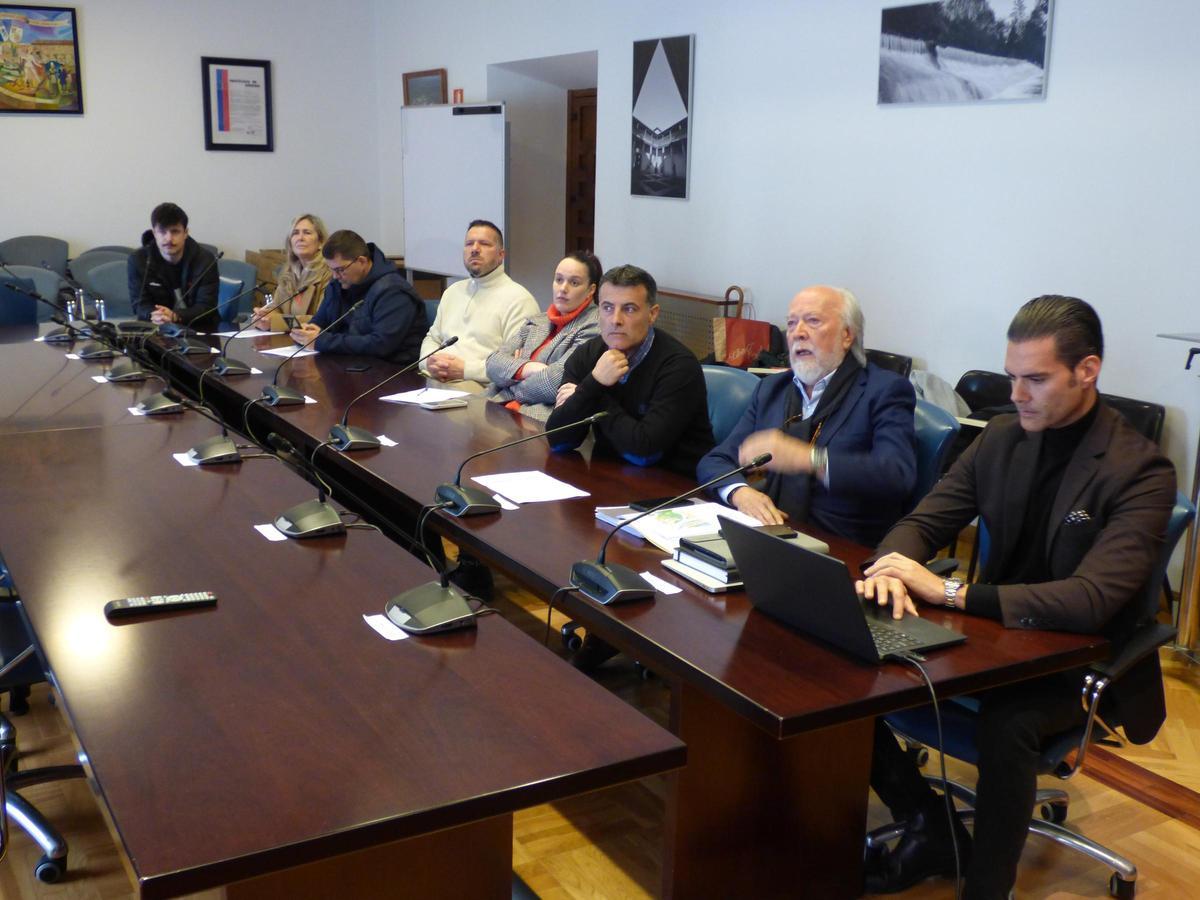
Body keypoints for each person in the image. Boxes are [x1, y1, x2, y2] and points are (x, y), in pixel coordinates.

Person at [857, 295, 1176, 899]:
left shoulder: (1141, 471)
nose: (1018, 393)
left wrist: (950, 591)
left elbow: (1089, 601)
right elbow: (924, 521)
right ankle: (931, 825)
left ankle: (985, 889)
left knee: (1009, 727)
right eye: (1011, 377)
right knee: (849, 664)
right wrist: (892, 568)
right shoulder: (1003, 437)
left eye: (1036, 378)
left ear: (1088, 371)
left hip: (1076, 659)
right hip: (994, 638)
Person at [696, 285, 916, 546]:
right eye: (791, 324)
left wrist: (809, 459)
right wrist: (739, 492)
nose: (797, 333)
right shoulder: (772, 389)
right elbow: (716, 460)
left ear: (847, 335)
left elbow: (896, 475)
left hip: (842, 547)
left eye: (813, 321)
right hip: (771, 534)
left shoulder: (884, 391)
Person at [546, 264, 714, 477]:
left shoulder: (679, 366)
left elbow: (644, 452)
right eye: (607, 307)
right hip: (610, 477)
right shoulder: (587, 355)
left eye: (629, 309)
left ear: (652, 314)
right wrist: (594, 381)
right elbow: (559, 440)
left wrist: (591, 391)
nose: (615, 320)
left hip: (675, 487)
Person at [420, 220, 538, 391]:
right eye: (469, 244)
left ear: (501, 255)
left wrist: (465, 370)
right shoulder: (453, 291)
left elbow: (516, 366)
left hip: (481, 388)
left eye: (484, 244)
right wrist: (428, 361)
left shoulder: (519, 300)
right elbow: (433, 338)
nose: (474, 249)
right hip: (434, 379)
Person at [484, 251, 603, 421]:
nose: (563, 288)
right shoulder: (538, 320)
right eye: (559, 279)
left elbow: (555, 382)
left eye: (574, 282)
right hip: (496, 407)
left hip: (535, 418)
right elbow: (492, 363)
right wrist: (528, 368)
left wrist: (510, 378)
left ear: (591, 290)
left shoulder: (594, 326)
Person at [289, 230, 426, 364]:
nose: (335, 276)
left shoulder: (393, 291)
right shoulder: (338, 284)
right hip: (349, 363)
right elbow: (320, 322)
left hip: (392, 371)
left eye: (340, 269)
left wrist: (321, 341)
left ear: (361, 261)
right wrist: (305, 334)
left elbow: (381, 345)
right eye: (331, 269)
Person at [127, 202, 219, 326]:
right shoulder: (138, 260)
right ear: (154, 233)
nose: (169, 238)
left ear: (185, 233)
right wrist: (154, 314)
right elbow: (139, 303)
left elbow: (207, 307)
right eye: (162, 232)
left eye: (175, 231)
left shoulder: (205, 260)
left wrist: (175, 316)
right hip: (156, 327)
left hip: (199, 328)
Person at [252, 213, 332, 330]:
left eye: (307, 233)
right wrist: (265, 316)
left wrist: (275, 322)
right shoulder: (289, 273)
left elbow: (321, 320)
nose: (300, 238)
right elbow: (276, 308)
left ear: (320, 242)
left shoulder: (328, 273)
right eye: (295, 233)